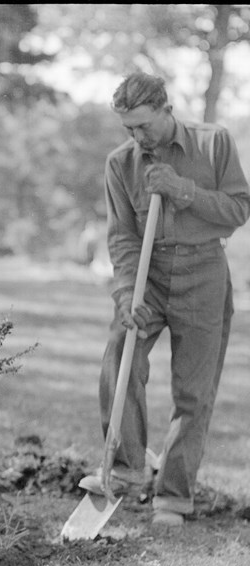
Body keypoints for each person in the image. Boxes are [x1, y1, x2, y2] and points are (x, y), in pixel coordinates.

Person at [78, 72, 250, 527]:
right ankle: (126, 469)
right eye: (128, 129)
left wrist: (182, 190)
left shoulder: (214, 144)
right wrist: (125, 294)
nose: (138, 137)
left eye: (144, 126)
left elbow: (238, 210)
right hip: (148, 277)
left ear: (166, 110)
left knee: (193, 391)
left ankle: (173, 496)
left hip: (204, 274)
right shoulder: (121, 163)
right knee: (120, 355)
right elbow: (122, 238)